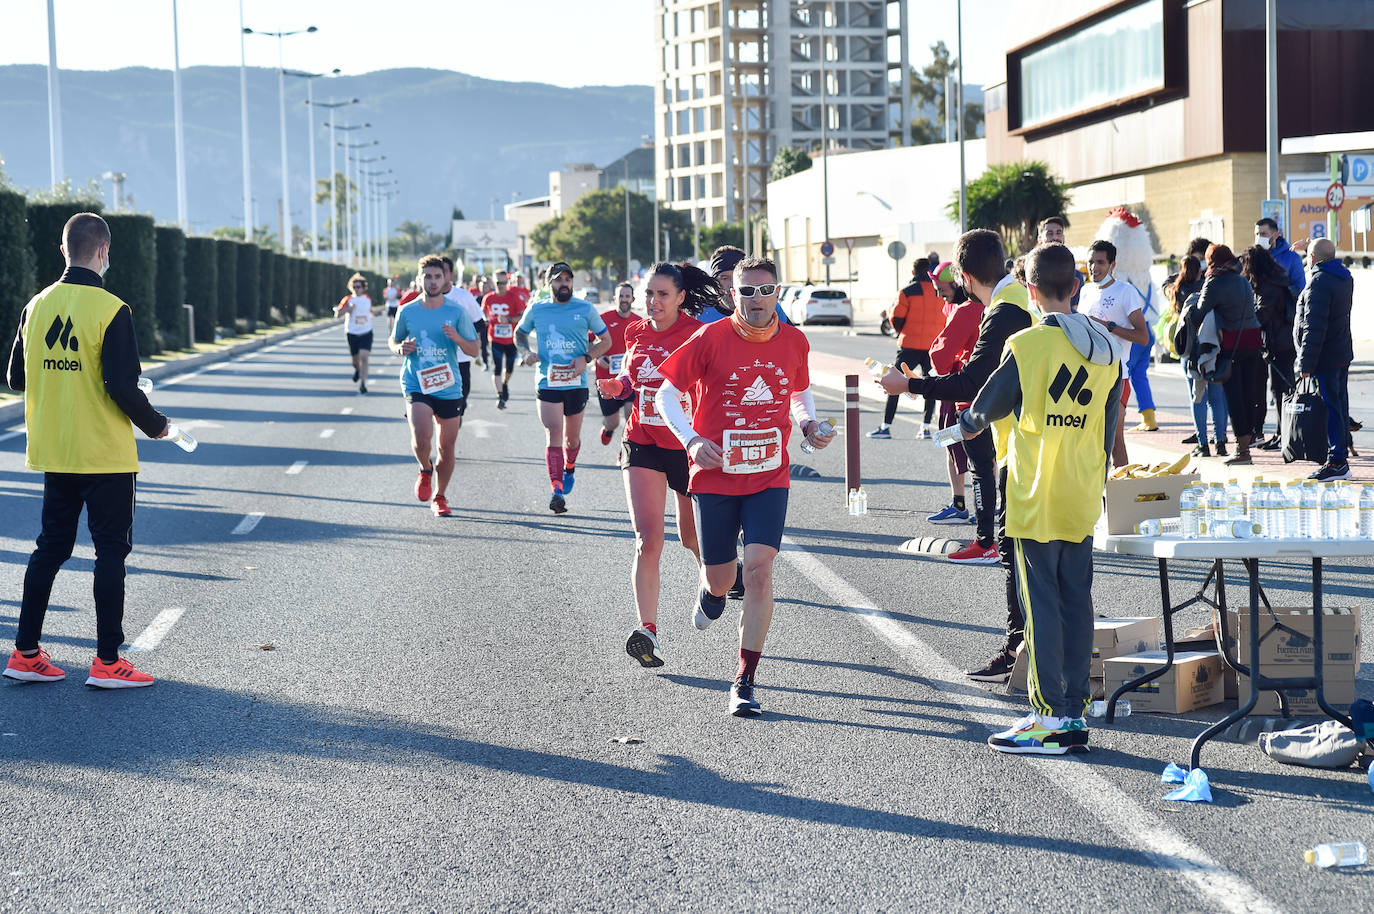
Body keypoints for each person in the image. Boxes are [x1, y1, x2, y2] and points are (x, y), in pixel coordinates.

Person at [958, 242, 1121, 755]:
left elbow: (981, 411)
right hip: (1081, 490)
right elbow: (1108, 428)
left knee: (1041, 605)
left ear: (1030, 290)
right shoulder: (1110, 351)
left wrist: (964, 427)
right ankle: (1074, 711)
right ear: (1076, 286)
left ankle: (1047, 716)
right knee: (1078, 601)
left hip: (1034, 491)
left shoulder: (1025, 345)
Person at [654, 256, 835, 716]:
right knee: (723, 577)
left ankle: (744, 679)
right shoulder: (711, 337)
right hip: (714, 475)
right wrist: (692, 440)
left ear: (778, 292)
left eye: (766, 289)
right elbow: (665, 394)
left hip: (769, 474)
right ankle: (712, 591)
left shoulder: (794, 340)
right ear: (732, 294)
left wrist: (809, 424)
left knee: (758, 571)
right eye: (747, 291)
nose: (757, 299)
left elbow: (797, 391)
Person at [4, 212, 167, 688]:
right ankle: (108, 662)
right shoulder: (113, 309)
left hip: (55, 450)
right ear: (103, 252)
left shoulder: (36, 306)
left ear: (63, 250)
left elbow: (16, 379)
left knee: (50, 548)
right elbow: (121, 385)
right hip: (105, 454)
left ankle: (26, 654)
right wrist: (157, 426)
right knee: (110, 553)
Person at [878, 229, 1031, 676]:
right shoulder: (1016, 299)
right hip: (1037, 441)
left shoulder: (1003, 311)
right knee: (1035, 553)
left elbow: (972, 382)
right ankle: (1033, 652)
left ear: (964, 276)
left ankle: (1018, 652)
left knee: (1014, 547)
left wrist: (909, 385)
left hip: (1024, 445)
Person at [596, 263, 710, 667]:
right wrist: (618, 387)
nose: (653, 302)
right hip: (642, 440)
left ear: (681, 297)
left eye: (662, 294)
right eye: (649, 294)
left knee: (691, 538)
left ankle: (711, 584)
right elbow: (631, 375)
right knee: (648, 541)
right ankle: (648, 632)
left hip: (685, 446)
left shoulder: (697, 333)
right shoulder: (636, 331)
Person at [515, 261, 611, 514]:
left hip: (576, 382)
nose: (564, 284)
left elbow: (606, 339)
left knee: (571, 439)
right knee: (553, 430)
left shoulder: (585, 308)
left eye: (567, 280)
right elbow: (519, 333)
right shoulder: (537, 309)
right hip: (548, 379)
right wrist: (525, 352)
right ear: (549, 285)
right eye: (558, 280)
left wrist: (586, 358)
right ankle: (556, 490)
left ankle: (569, 467)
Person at [390, 255, 480, 517]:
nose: (432, 281)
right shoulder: (407, 311)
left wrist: (457, 338)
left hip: (448, 384)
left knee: (447, 447)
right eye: (427, 276)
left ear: (445, 278)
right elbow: (393, 341)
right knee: (421, 436)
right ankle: (424, 469)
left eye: (437, 276)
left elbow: (474, 349)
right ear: (420, 279)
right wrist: (400, 348)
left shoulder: (456, 311)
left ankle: (440, 496)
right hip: (416, 381)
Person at [925, 262, 986, 548]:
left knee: (969, 450)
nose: (940, 296)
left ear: (960, 283)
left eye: (942, 289)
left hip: (963, 389)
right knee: (956, 445)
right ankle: (964, 505)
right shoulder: (966, 306)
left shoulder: (967, 309)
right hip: (969, 386)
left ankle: (969, 509)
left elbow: (940, 354)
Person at [1079, 240, 1148, 467]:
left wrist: (1107, 326)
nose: (1094, 268)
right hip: (1088, 376)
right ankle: (1095, 496)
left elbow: (1142, 337)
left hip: (1117, 376)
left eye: (1100, 262)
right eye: (1091, 262)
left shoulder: (1125, 292)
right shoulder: (1086, 290)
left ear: (1112, 265)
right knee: (1089, 440)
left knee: (1116, 440)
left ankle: (1122, 496)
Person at [1194, 243, 1264, 466]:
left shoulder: (1214, 282)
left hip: (1232, 346)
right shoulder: (1242, 279)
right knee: (1249, 395)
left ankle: (1243, 451)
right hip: (1253, 341)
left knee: (1234, 398)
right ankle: (1245, 446)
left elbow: (1198, 315)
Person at [1295, 237, 1355, 481]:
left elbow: (1314, 326)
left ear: (1312, 259)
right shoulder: (1344, 276)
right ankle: (1340, 458)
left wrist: (1305, 364)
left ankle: (1337, 461)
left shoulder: (1318, 282)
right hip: (1341, 352)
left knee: (1331, 408)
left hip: (1326, 357)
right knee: (1338, 406)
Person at [870, 260, 942, 439]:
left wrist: (903, 331)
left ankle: (886, 426)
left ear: (913, 271)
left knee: (894, 383)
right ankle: (925, 428)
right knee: (930, 385)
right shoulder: (939, 290)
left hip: (909, 345)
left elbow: (896, 318)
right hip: (932, 346)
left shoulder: (907, 291)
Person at [1239, 245, 1297, 450]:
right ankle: (1281, 434)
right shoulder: (1273, 281)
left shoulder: (1269, 286)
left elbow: (1262, 315)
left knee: (1281, 390)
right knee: (1279, 390)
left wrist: (1243, 317)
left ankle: (1284, 435)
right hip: (1279, 342)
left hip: (1280, 344)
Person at [1169, 257, 1228, 457]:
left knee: (1197, 399)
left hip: (1190, 354)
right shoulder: (1215, 295)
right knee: (1217, 399)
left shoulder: (1181, 291)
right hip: (1213, 352)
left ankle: (1202, 444)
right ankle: (1221, 442)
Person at [439, 256, 486, 428]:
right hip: (433, 361)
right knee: (434, 407)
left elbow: (479, 323)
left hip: (460, 359)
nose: (438, 277)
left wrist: (462, 336)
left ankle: (449, 437)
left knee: (458, 405)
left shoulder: (463, 297)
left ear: (450, 274)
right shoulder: (423, 299)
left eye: (442, 272)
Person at [698, 245, 789, 326]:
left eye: (737, 278)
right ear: (714, 282)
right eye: (724, 278)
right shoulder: (700, 315)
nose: (732, 284)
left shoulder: (768, 308)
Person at [594, 282, 637, 446]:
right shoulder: (603, 319)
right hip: (606, 380)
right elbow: (588, 343)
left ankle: (625, 449)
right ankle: (608, 429)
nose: (624, 299)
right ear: (615, 298)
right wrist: (598, 356)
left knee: (631, 415)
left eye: (627, 296)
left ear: (633, 299)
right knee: (613, 422)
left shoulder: (639, 322)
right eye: (621, 296)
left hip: (628, 380)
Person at [481, 270, 526, 410]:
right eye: (498, 283)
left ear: (507, 282)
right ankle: (500, 396)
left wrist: (510, 320)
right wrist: (486, 319)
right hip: (495, 338)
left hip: (511, 339)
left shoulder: (514, 297)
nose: (501, 285)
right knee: (497, 367)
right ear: (493, 283)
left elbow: (522, 316)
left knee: (510, 368)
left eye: (503, 283)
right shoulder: (488, 298)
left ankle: (505, 384)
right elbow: (483, 311)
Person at [334, 273, 374, 394]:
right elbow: (337, 314)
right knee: (355, 360)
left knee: (364, 357)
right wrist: (348, 309)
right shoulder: (348, 299)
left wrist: (375, 314)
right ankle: (357, 370)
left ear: (363, 287)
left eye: (359, 287)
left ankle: (363, 384)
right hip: (352, 333)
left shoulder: (368, 299)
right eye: (355, 287)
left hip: (366, 332)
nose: (357, 289)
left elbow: (369, 311)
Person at [1254, 218, 1306, 300]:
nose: (1259, 238)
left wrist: (1275, 293)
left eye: (1263, 234)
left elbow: (1299, 287)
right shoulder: (1252, 257)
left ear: (1275, 235)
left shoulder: (1292, 257)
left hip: (1281, 309)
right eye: (1257, 234)